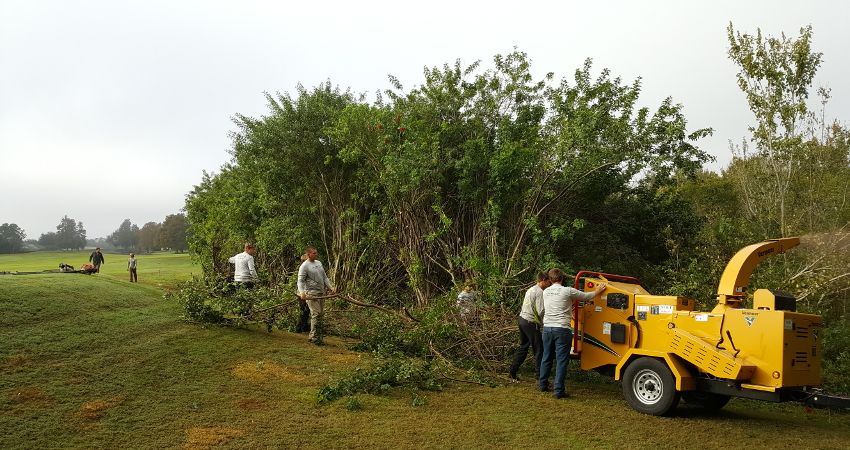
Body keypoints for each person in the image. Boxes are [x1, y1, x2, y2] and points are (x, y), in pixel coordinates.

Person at [538, 268, 606, 399]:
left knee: (546, 357)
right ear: (562, 279)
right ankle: (558, 391)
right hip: (562, 329)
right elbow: (586, 296)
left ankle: (542, 384)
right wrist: (598, 290)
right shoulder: (567, 290)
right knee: (561, 360)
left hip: (547, 329)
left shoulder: (545, 292)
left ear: (550, 279)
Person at [509, 272, 551, 381]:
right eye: (548, 281)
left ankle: (512, 371)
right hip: (531, 323)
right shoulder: (540, 292)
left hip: (522, 320)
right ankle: (540, 378)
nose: (549, 284)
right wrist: (546, 322)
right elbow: (541, 311)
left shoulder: (531, 289)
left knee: (523, 347)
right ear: (543, 280)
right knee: (539, 350)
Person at [297, 246, 334, 345]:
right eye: (314, 253)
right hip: (311, 294)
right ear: (308, 254)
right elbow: (300, 282)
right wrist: (302, 293)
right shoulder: (304, 266)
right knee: (316, 314)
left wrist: (331, 287)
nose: (316, 254)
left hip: (321, 293)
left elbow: (325, 277)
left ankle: (319, 336)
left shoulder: (319, 263)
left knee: (320, 315)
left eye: (316, 253)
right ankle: (313, 337)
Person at [295, 253, 311, 333]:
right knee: (304, 311)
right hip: (302, 294)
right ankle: (299, 328)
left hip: (306, 293)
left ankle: (304, 327)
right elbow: (300, 282)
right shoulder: (304, 269)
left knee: (306, 312)